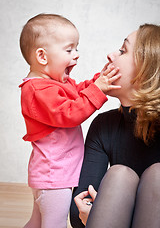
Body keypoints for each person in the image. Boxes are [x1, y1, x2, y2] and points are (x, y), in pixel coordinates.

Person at [19, 13, 121, 228]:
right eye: (69, 49)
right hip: (54, 178)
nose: (76, 55)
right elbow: (70, 113)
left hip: (51, 177)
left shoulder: (54, 85)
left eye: (77, 48)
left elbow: (77, 92)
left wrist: (98, 80)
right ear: (43, 56)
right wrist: (98, 90)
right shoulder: (38, 90)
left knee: (37, 222)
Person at [70, 23, 160, 228]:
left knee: (157, 176)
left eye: (122, 50)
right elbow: (78, 213)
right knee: (119, 175)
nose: (110, 55)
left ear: (147, 71)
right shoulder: (104, 125)